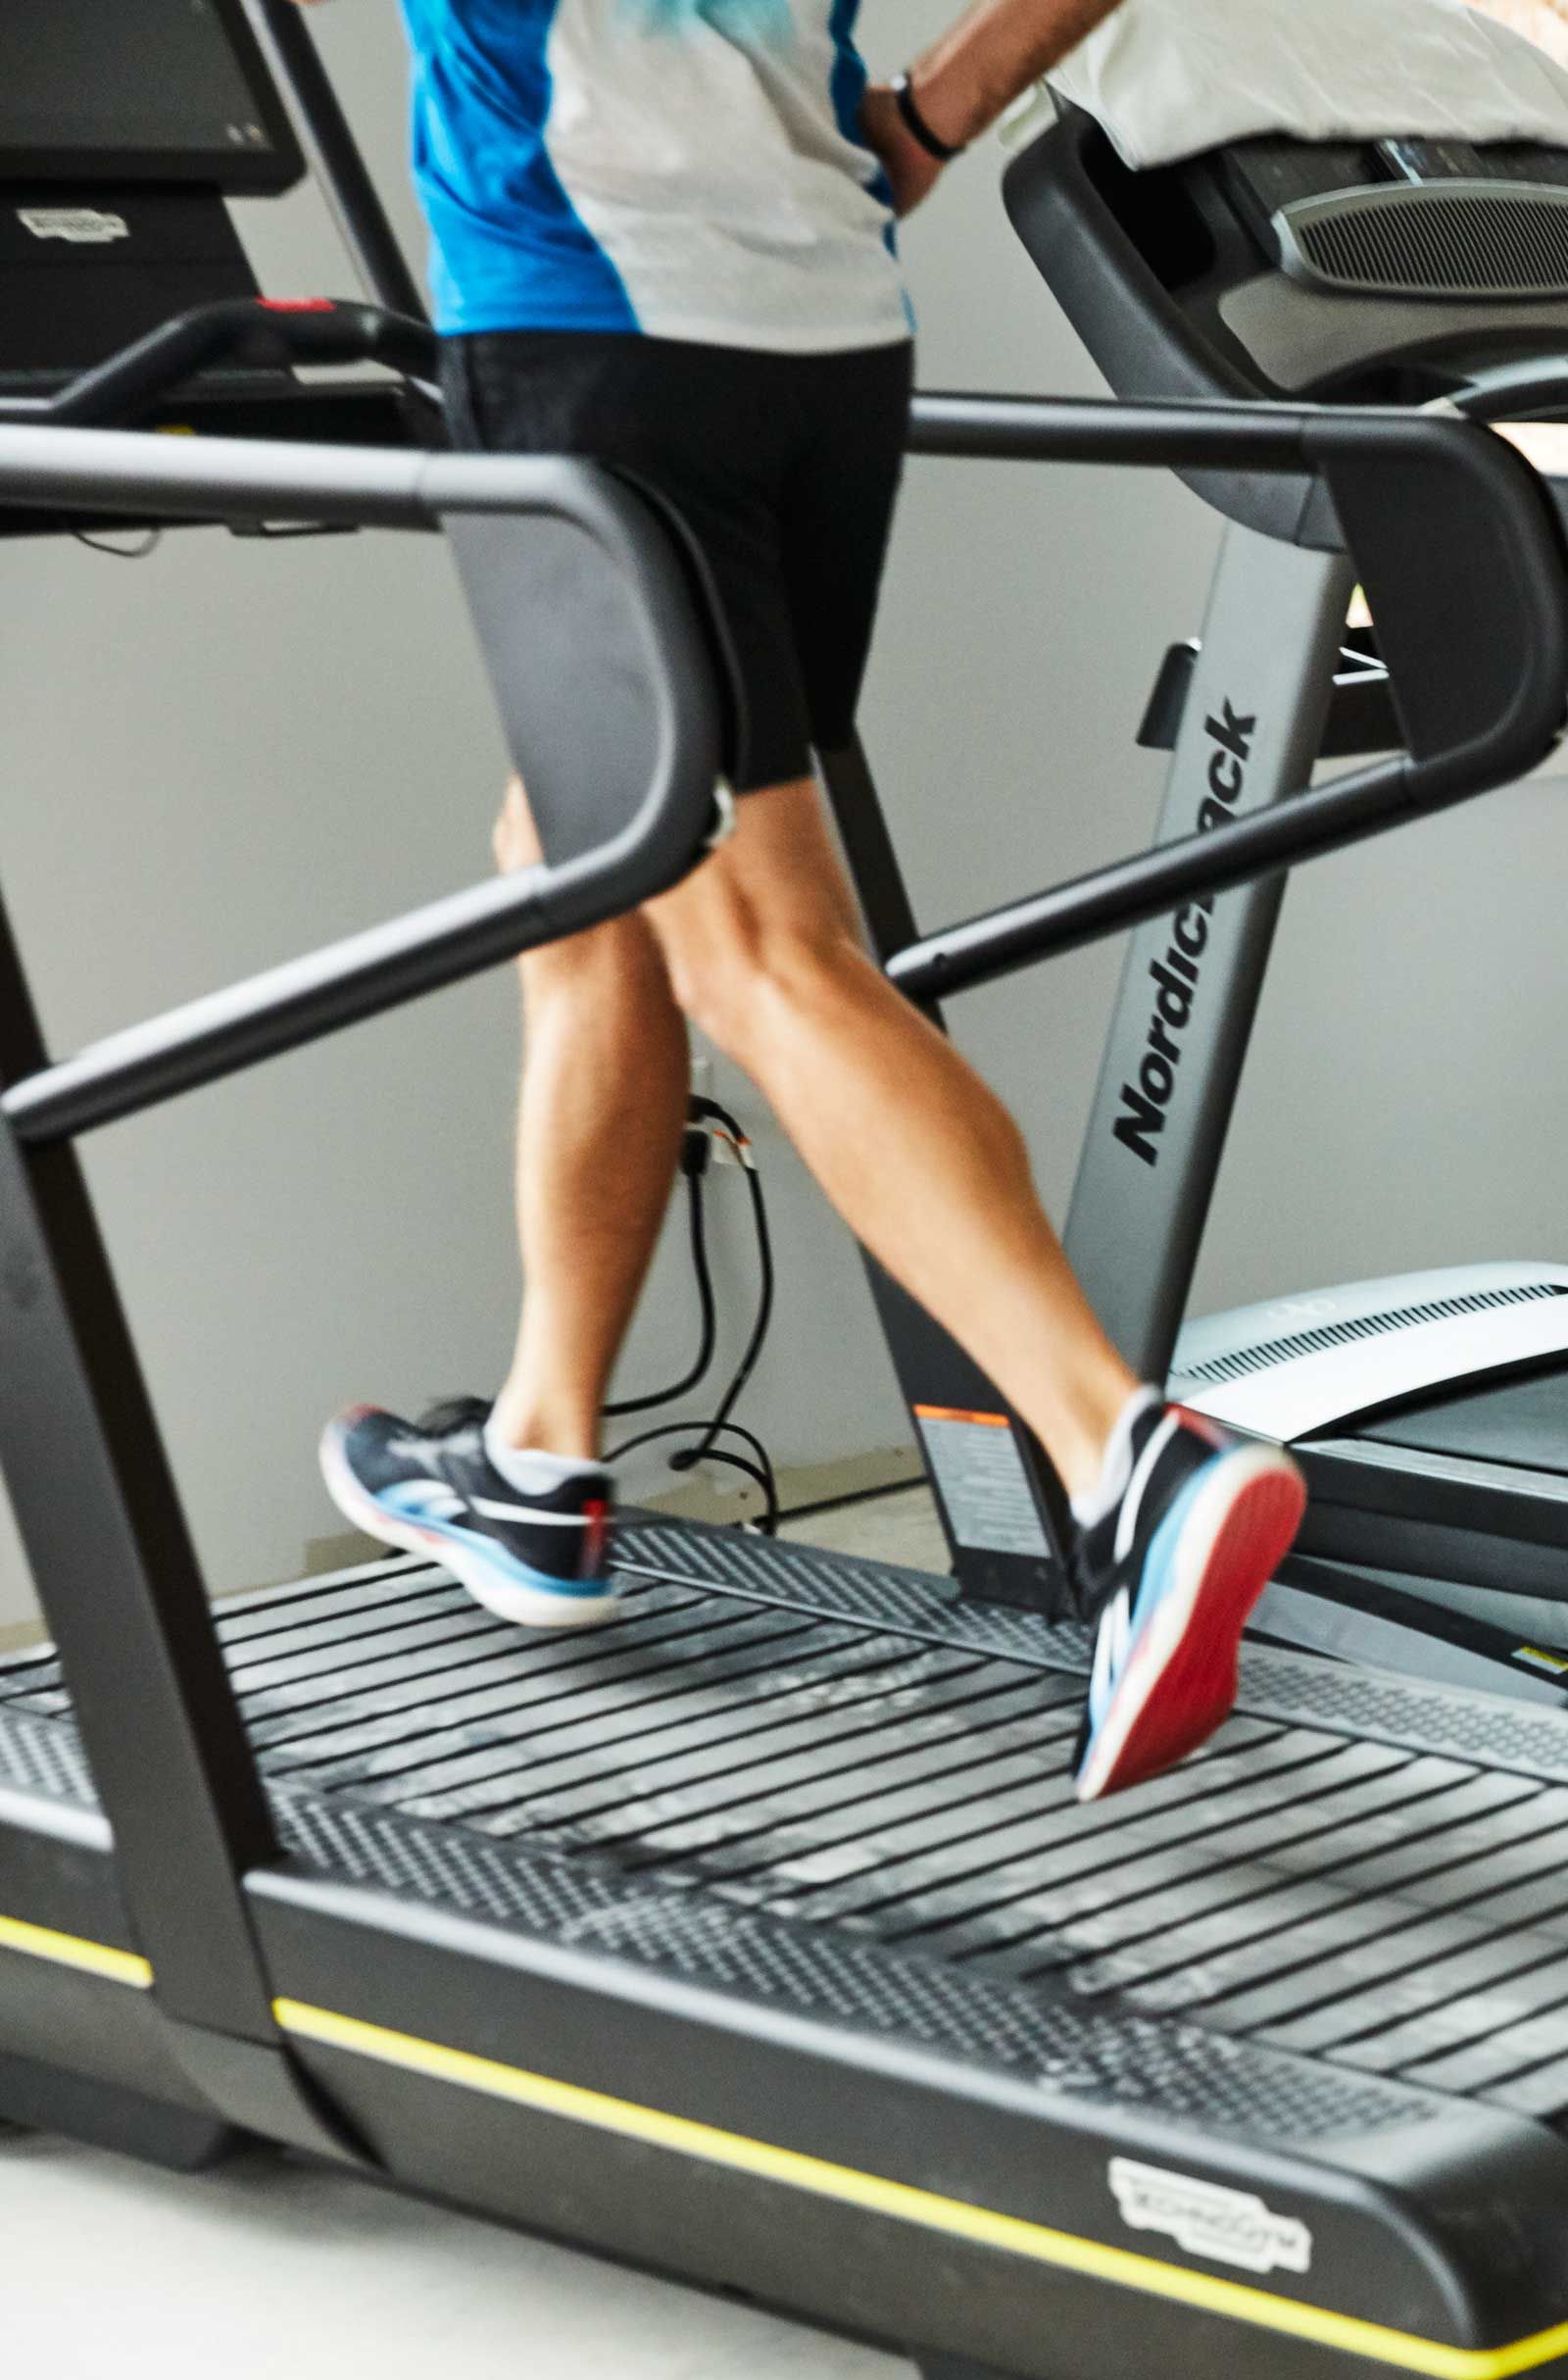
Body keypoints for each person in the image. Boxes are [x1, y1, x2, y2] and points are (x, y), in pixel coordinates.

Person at [311, 0, 1301, 1804]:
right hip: (820, 328)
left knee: (757, 935)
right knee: (587, 863)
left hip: (589, 301)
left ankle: (1123, 1459)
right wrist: (926, 116)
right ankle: (540, 1457)